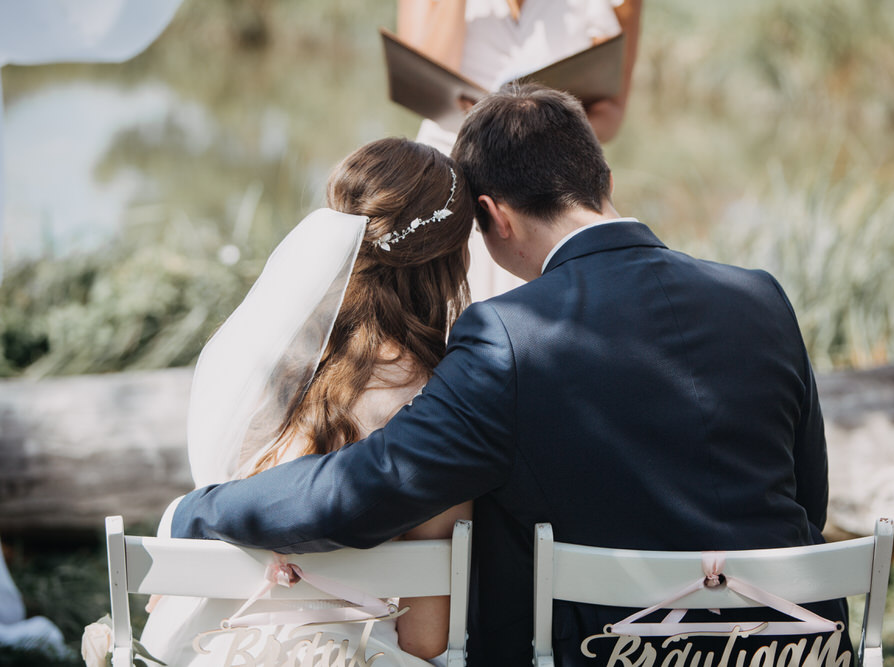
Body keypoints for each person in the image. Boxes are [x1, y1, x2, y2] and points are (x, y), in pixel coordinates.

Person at [170, 84, 853, 667]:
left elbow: (369, 486)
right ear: (603, 180)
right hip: (796, 642)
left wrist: (204, 508)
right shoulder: (761, 296)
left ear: (491, 216)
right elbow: (807, 497)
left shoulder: (507, 336)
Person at [140, 137, 474, 667]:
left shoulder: (269, 371)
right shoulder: (441, 410)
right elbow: (425, 639)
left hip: (215, 648)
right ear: (451, 260)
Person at [397, 0, 642, 301]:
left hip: (547, 185)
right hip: (451, 174)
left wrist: (538, 130)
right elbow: (420, 85)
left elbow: (611, 113)